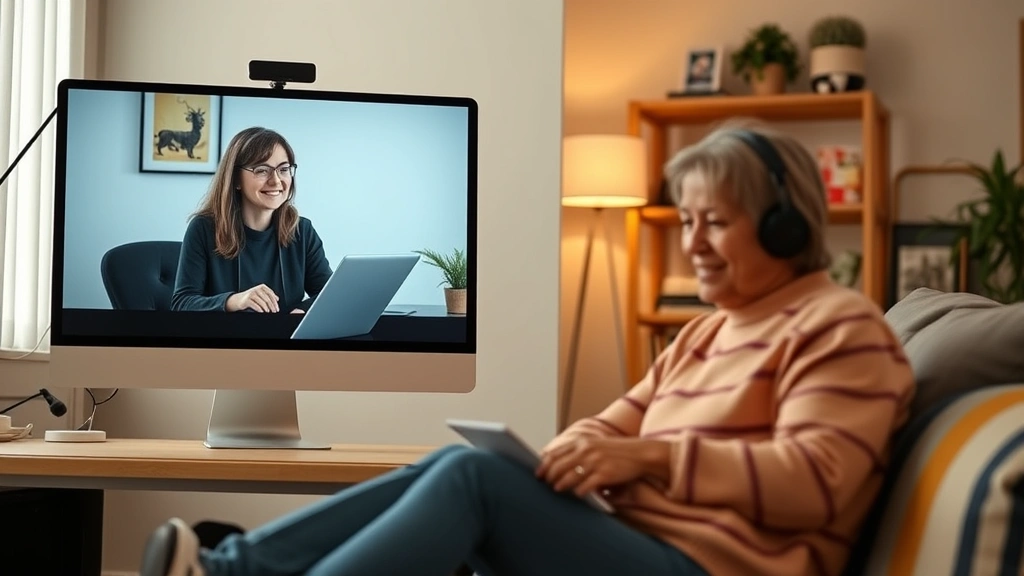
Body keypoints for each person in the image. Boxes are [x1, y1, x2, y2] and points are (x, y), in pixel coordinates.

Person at [139, 121, 915, 576]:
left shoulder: (842, 328)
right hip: (637, 536)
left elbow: (815, 481)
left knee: (475, 480)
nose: (693, 245)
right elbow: (616, 423)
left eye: (713, 222)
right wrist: (577, 457)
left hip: (703, 566)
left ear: (784, 226)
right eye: (686, 222)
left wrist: (648, 461)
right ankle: (225, 570)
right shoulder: (712, 330)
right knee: (453, 463)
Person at [170, 127, 333, 314]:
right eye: (262, 170)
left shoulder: (302, 230)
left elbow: (329, 295)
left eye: (284, 169)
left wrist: (302, 311)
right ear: (236, 179)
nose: (276, 181)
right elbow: (182, 303)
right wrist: (234, 301)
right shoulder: (203, 228)